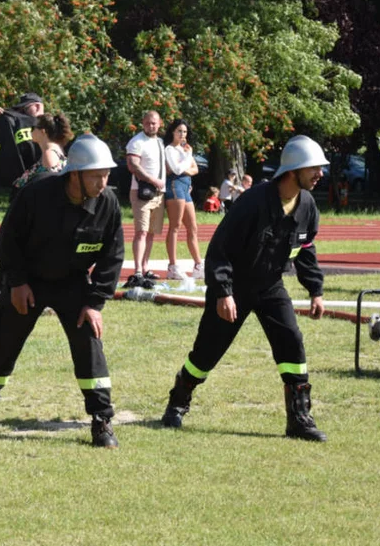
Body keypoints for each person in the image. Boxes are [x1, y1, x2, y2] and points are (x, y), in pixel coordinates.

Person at [160, 135, 330, 442]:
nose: (320, 174)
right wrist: (224, 292)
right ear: (293, 170)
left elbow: (305, 250)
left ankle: (299, 419)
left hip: (270, 286)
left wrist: (315, 290)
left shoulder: (307, 206)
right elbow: (220, 249)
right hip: (234, 286)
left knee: (291, 341)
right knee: (206, 353)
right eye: (314, 168)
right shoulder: (252, 202)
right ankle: (177, 402)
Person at [0, 135, 124, 448]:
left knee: (89, 343)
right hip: (29, 279)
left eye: (106, 174)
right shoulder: (36, 194)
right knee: (1, 342)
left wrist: (95, 303)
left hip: (73, 283)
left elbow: (112, 256)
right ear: (75, 174)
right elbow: (8, 241)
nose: (102, 182)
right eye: (95, 175)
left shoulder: (107, 204)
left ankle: (101, 419)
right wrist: (18, 282)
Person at [0, 92, 46, 305]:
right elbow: (4, 148)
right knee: (8, 238)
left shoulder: (51, 126)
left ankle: (43, 292)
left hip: (47, 191)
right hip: (23, 190)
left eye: (23, 108)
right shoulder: (13, 121)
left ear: (37, 107)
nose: (20, 112)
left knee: (43, 241)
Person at [125, 110, 166, 288]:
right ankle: (137, 271)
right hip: (142, 192)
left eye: (154, 123)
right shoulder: (136, 142)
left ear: (160, 123)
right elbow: (132, 165)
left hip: (159, 193)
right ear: (143, 123)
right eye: (148, 123)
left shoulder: (160, 142)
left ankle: (145, 266)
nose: (151, 126)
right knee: (141, 232)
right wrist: (152, 180)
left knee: (150, 233)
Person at [162, 118, 205, 281]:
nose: (182, 134)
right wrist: (188, 155)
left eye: (185, 131)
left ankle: (198, 265)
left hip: (186, 188)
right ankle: (173, 266)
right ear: (173, 131)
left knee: (193, 227)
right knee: (175, 226)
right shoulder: (170, 149)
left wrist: (186, 160)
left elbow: (195, 169)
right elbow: (177, 169)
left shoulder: (184, 149)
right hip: (175, 187)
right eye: (179, 131)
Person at [11, 113, 73, 189]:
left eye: (33, 128)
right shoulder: (56, 149)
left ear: (43, 131)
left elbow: (49, 186)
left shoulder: (50, 154)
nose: (30, 131)